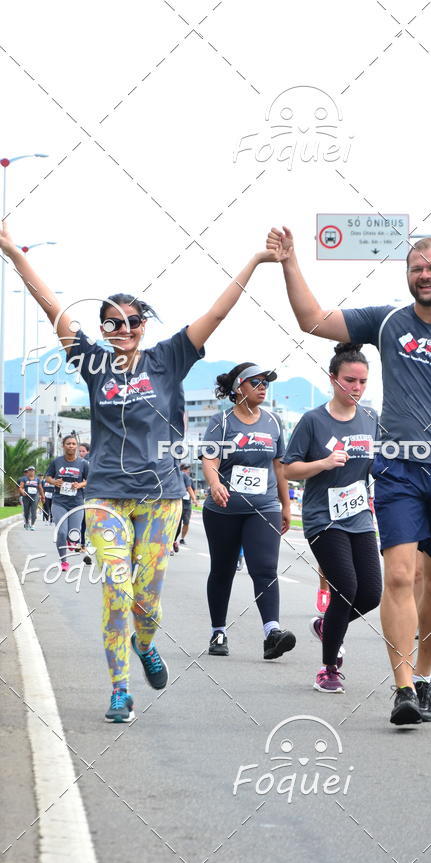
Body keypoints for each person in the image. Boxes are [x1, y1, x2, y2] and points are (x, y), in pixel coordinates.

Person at [1, 219, 281, 722]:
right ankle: (119, 691)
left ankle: (146, 643)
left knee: (146, 604)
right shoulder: (91, 363)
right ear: (104, 330)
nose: (124, 329)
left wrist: (257, 262)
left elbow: (217, 312)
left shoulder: (169, 359)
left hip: (161, 498)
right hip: (106, 496)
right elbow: (52, 307)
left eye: (133, 321)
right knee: (116, 589)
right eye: (113, 323)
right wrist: (12, 251)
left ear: (144, 327)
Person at [267, 226, 431, 726]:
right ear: (408, 275)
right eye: (415, 269)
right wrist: (290, 262)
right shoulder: (386, 323)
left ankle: (423, 677)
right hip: (399, 469)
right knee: (399, 575)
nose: (424, 275)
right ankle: (402, 688)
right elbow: (313, 320)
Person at [282, 342, 382, 693]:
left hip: (359, 516)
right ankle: (328, 668)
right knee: (346, 588)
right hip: (323, 518)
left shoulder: (371, 419)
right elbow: (289, 468)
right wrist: (322, 464)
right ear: (333, 379)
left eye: (362, 382)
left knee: (370, 594)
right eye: (349, 380)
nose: (356, 388)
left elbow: (379, 465)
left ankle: (328, 626)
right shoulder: (313, 421)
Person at [201, 363, 295, 660]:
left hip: (264, 506)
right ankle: (218, 631)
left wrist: (286, 504)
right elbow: (209, 458)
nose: (263, 386)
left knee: (265, 568)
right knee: (223, 569)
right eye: (256, 382)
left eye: (266, 382)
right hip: (224, 510)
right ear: (239, 387)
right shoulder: (222, 422)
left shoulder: (273, 421)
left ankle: (272, 632)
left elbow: (279, 466)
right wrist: (215, 484)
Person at [45, 436, 89, 570]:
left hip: (77, 502)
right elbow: (48, 477)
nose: (71, 446)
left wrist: (80, 484)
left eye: (73, 444)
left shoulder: (83, 464)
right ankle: (64, 561)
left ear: (77, 446)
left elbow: (89, 480)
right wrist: (54, 482)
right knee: (62, 532)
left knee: (74, 533)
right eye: (68, 443)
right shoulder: (57, 462)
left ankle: (73, 541)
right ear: (63, 446)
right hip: (59, 502)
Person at [172, 463, 196, 552]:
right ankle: (173, 541)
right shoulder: (176, 476)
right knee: (176, 525)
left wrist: (194, 499)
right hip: (178, 503)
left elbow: (191, 489)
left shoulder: (188, 478)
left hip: (187, 504)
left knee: (186, 522)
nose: (187, 471)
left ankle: (181, 539)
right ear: (182, 469)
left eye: (188, 469)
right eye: (186, 469)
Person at [18, 466, 41, 530]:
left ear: (34, 471)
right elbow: (21, 487)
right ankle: (27, 523)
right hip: (26, 497)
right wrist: (22, 492)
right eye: (30, 470)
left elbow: (40, 488)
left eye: (33, 470)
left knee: (34, 511)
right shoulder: (24, 479)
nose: (31, 472)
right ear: (28, 471)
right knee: (26, 511)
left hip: (35, 497)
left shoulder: (37, 479)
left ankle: (33, 525)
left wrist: (42, 496)